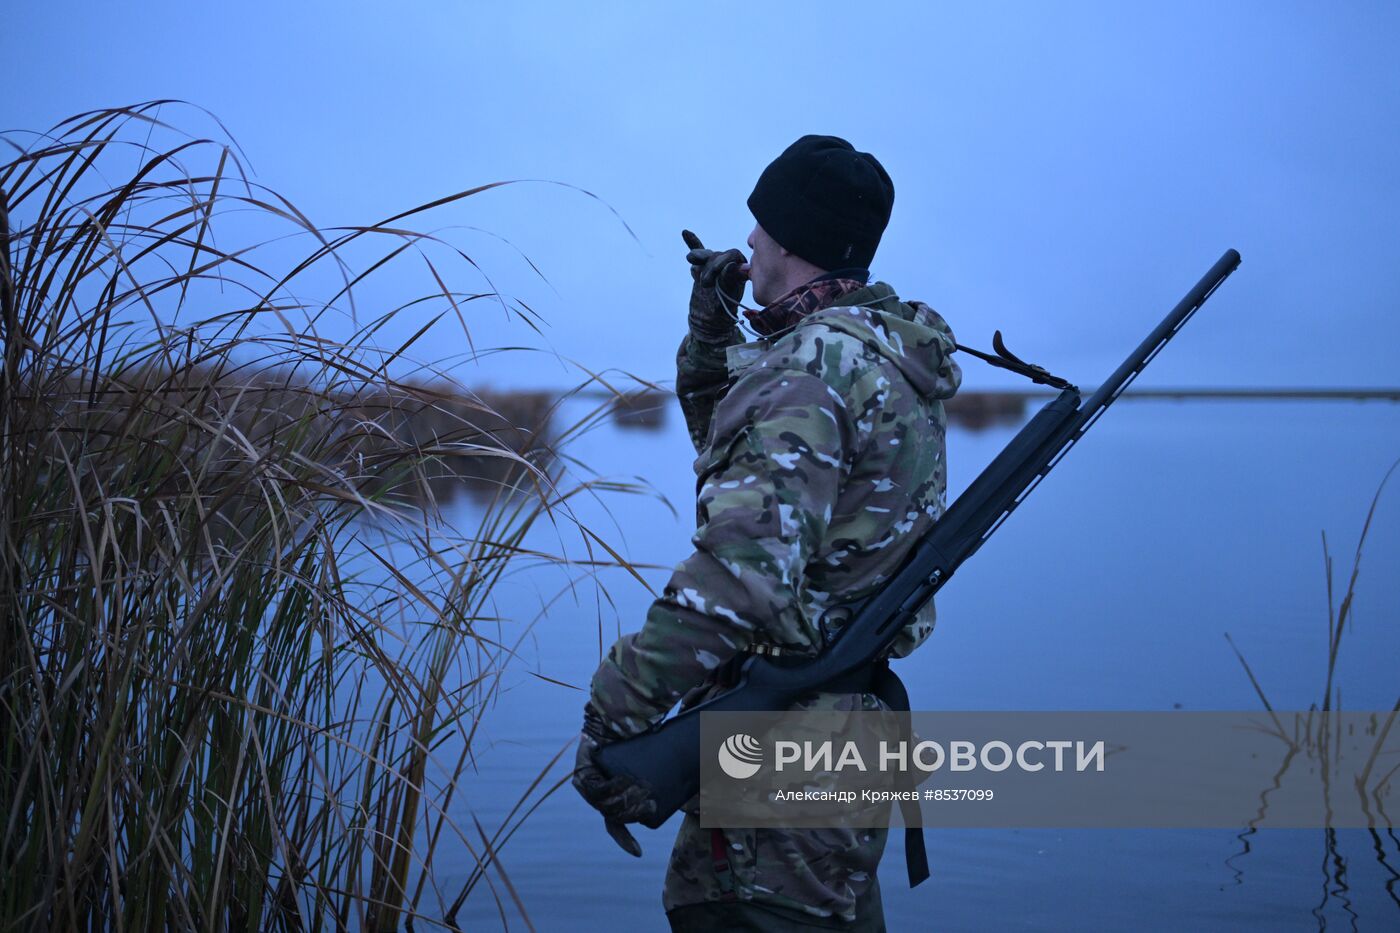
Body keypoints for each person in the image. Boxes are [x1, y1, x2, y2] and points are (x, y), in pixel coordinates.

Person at [573, 135, 961, 931]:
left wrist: (612, 714)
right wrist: (713, 332)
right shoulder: (881, 360)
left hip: (780, 782)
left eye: (760, 224)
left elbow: (738, 581)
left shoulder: (808, 373)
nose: (747, 241)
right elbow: (746, 461)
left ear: (793, 237)